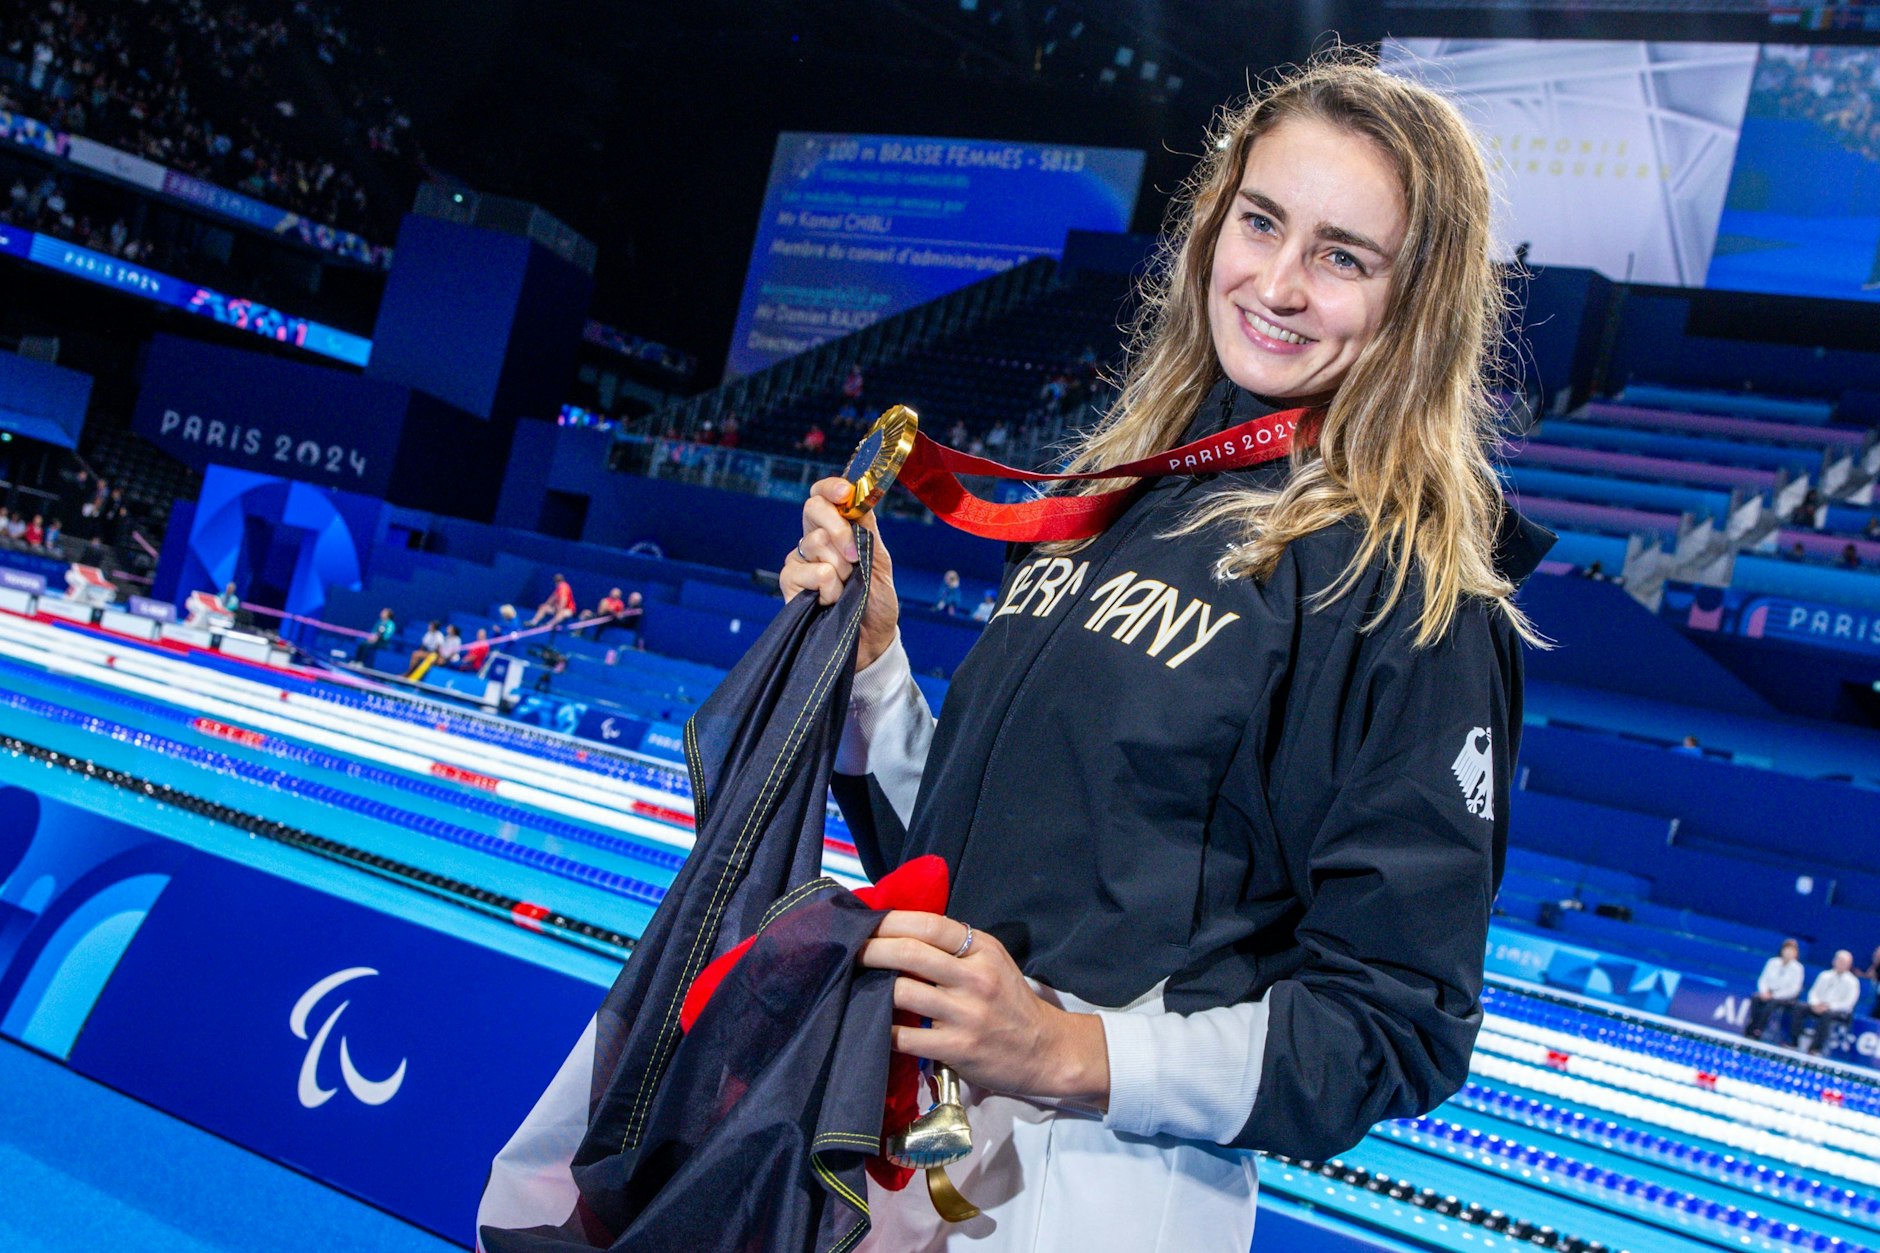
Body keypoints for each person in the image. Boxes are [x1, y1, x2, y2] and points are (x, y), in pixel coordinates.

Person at [781, 58, 1550, 1250]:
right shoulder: (1114, 497)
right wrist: (872, 668)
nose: (1277, 284)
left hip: (1097, 1192)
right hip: (900, 1147)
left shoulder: (1409, 594)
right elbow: (974, 859)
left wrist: (1068, 1050)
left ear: (1419, 300)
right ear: (1210, 224)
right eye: (1259, 222)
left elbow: (1395, 1024)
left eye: (1343, 256)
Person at [1794, 950, 1861, 1055]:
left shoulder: (1852, 982)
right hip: (1819, 1006)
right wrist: (1815, 1004)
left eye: (1844, 962)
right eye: (1839, 961)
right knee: (1798, 1007)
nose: (1841, 964)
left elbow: (1849, 1003)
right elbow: (1814, 992)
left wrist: (1829, 1006)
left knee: (1827, 1015)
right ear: (1834, 961)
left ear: (1849, 965)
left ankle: (1815, 1048)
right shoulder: (1824, 975)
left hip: (1838, 1011)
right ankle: (1794, 1042)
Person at [1744, 939, 1805, 1043]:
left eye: (1792, 950)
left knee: (1772, 1003)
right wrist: (1764, 992)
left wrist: (1775, 995)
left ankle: (1759, 1029)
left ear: (1796, 953)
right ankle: (1751, 1026)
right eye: (1787, 949)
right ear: (1782, 950)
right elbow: (1763, 979)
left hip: (1784, 997)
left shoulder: (1798, 968)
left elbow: (1794, 989)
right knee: (1756, 998)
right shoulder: (1772, 962)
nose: (1789, 952)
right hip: (1767, 992)